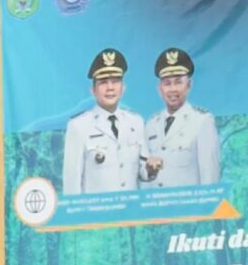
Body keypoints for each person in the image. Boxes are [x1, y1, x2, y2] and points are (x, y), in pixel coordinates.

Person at [62, 48, 145, 195]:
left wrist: (151, 169)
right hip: (98, 209)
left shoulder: (136, 122)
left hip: (131, 208)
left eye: (115, 81)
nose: (110, 88)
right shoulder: (78, 126)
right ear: (93, 90)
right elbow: (72, 184)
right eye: (103, 82)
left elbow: (143, 173)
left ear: (123, 88)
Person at [141, 46, 220, 188]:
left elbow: (210, 179)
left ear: (189, 85)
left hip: (189, 203)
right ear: (159, 88)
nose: (173, 89)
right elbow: (147, 179)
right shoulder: (151, 124)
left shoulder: (202, 121)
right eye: (167, 83)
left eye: (178, 82)